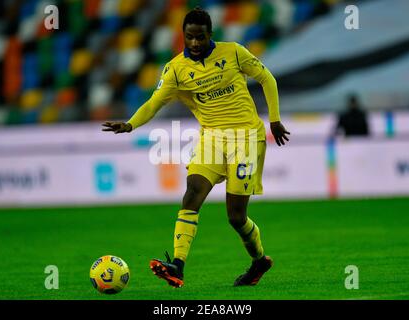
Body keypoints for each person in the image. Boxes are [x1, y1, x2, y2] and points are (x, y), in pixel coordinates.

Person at [102, 7, 290, 288]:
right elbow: (154, 103)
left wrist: (274, 120)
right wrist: (130, 124)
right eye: (189, 37)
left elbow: (267, 79)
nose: (195, 43)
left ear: (209, 34)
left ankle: (259, 261)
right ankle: (177, 266)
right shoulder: (176, 69)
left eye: (200, 37)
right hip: (212, 139)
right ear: (183, 36)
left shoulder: (233, 52)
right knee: (192, 194)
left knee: (236, 217)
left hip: (247, 138)